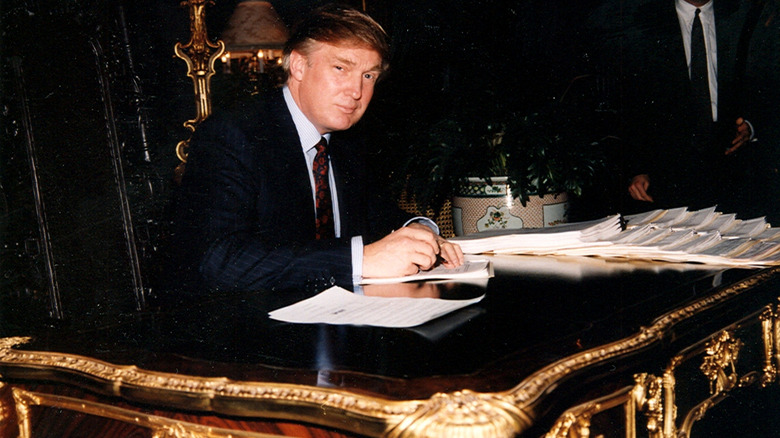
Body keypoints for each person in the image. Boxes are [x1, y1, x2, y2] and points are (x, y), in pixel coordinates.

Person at [172, 4, 463, 295]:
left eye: (369, 76)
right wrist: (359, 261)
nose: (357, 91)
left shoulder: (345, 139)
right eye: (341, 68)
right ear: (298, 65)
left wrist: (419, 230)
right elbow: (219, 261)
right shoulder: (234, 134)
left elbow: (376, 214)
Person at [622, 0, 756, 212]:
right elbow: (631, 103)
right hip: (668, 169)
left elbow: (763, 81)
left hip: (731, 161)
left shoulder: (743, 14)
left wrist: (750, 124)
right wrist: (638, 168)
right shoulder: (645, 21)